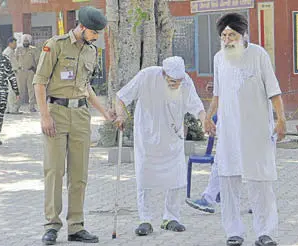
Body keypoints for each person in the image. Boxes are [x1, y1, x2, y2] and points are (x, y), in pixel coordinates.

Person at [205, 13, 286, 246]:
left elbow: (274, 90)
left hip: (257, 131)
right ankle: (234, 232)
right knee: (228, 181)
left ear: (243, 35)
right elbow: (218, 94)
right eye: (224, 35)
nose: (228, 39)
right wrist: (208, 117)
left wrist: (280, 119)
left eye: (232, 35)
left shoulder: (258, 54)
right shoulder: (219, 58)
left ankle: (266, 232)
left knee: (261, 182)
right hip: (229, 132)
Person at [33, 6, 110, 245]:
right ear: (83, 27)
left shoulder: (91, 51)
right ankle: (51, 225)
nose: (97, 36)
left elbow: (86, 87)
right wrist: (45, 116)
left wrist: (105, 112)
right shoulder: (55, 45)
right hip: (56, 112)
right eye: (94, 32)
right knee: (54, 171)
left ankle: (76, 226)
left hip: (80, 116)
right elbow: (39, 82)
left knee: (79, 174)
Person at [114, 56, 207, 236]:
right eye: (172, 81)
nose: (176, 85)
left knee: (176, 177)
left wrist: (205, 121)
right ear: (163, 74)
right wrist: (120, 115)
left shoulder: (185, 82)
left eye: (178, 81)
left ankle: (171, 218)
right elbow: (121, 97)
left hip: (173, 139)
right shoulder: (146, 76)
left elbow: (196, 106)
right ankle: (145, 219)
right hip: (147, 137)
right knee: (144, 178)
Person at [16, 34, 38, 112]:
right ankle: (16, 107)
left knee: (31, 90)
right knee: (20, 90)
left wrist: (36, 70)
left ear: (29, 41)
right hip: (20, 72)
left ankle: (31, 107)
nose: (25, 42)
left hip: (30, 72)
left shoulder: (33, 49)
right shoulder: (18, 49)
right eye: (24, 41)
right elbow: (15, 60)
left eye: (27, 41)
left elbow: (37, 60)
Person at [3, 36, 22, 114]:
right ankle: (13, 109)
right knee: (13, 91)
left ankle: (8, 108)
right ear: (10, 43)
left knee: (9, 91)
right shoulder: (9, 52)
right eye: (14, 44)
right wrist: (18, 67)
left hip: (9, 73)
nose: (15, 45)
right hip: (11, 73)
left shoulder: (9, 51)